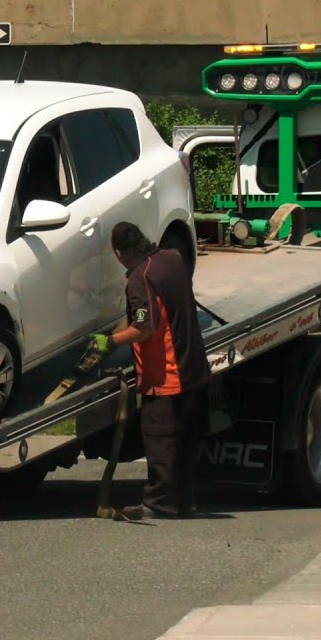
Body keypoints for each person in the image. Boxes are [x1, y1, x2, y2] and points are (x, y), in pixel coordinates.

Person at [89, 222, 211, 519]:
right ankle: (184, 501)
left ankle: (158, 504)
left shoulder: (139, 279)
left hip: (166, 375)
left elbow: (145, 327)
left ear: (119, 253)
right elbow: (152, 313)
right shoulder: (171, 259)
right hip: (193, 366)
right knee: (185, 440)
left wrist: (111, 341)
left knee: (161, 441)